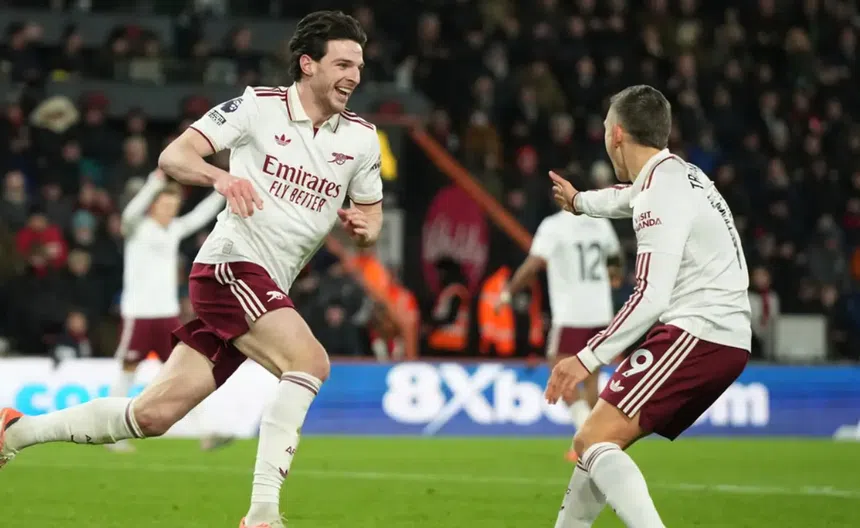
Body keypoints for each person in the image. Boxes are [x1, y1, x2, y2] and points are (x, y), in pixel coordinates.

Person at [0, 11, 383, 528]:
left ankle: (16, 431)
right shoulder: (257, 106)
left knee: (151, 415)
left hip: (266, 288)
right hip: (231, 268)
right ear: (308, 64)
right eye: (343, 64)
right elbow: (174, 156)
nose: (354, 76)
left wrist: (365, 227)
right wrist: (219, 179)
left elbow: (372, 215)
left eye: (358, 66)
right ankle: (263, 515)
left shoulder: (361, 139)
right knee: (309, 362)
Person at [544, 85, 751, 528]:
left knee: (592, 440)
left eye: (605, 129)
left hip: (699, 332)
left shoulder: (660, 191)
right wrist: (580, 202)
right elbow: (623, 198)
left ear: (617, 134)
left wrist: (585, 358)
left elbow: (650, 295)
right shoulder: (679, 175)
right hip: (718, 334)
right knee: (594, 441)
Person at [107, 168, 229, 453]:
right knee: (127, 371)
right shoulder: (137, 227)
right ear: (154, 205)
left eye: (174, 206)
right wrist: (155, 182)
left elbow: (199, 216)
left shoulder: (174, 229)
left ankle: (207, 432)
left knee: (184, 373)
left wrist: (221, 190)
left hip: (167, 315)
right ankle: (112, 434)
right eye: (166, 204)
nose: (170, 210)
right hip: (139, 314)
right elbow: (130, 213)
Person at [499, 196, 622, 461]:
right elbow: (615, 257)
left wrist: (508, 292)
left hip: (571, 314)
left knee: (560, 375)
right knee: (591, 379)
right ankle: (596, 441)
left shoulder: (554, 225)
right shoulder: (600, 223)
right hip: (601, 312)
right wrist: (614, 276)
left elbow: (533, 264)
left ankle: (587, 438)